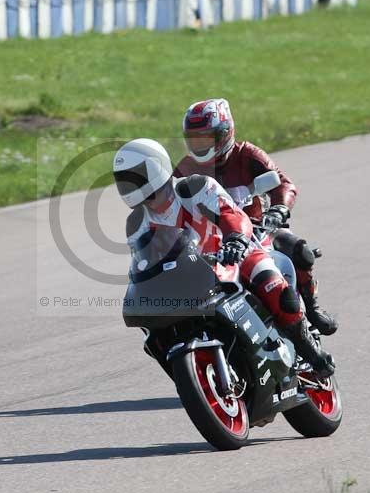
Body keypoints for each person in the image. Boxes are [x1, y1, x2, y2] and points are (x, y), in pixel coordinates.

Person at [113, 138, 335, 377]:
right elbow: (143, 260)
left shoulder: (195, 188)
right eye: (124, 180)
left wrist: (236, 239)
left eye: (135, 177)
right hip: (190, 275)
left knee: (279, 295)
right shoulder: (136, 222)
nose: (130, 186)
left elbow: (231, 214)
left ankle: (313, 355)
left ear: (156, 168)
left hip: (235, 254)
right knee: (155, 328)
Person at [173, 98, 338, 336]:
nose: (201, 145)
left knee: (299, 249)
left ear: (226, 133)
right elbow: (170, 205)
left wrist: (279, 209)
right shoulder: (185, 168)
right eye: (195, 139)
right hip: (210, 243)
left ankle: (311, 311)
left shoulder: (248, 155)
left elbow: (283, 184)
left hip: (259, 231)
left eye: (208, 138)